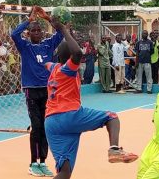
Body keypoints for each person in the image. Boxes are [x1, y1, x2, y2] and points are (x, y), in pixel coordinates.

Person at [44, 18, 138, 179]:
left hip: (51, 123)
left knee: (64, 172)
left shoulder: (53, 68)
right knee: (111, 117)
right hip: (70, 115)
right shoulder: (68, 69)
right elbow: (78, 53)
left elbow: (48, 61)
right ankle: (114, 149)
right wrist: (63, 30)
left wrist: (65, 30)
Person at [11, 6, 63, 177]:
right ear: (28, 33)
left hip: (47, 90)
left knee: (46, 127)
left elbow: (61, 33)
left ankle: (43, 162)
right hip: (31, 90)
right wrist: (29, 20)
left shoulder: (48, 45)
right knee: (37, 126)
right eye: (33, 30)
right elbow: (13, 34)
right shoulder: (25, 47)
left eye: (39, 30)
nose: (36, 32)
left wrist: (48, 19)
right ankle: (33, 163)